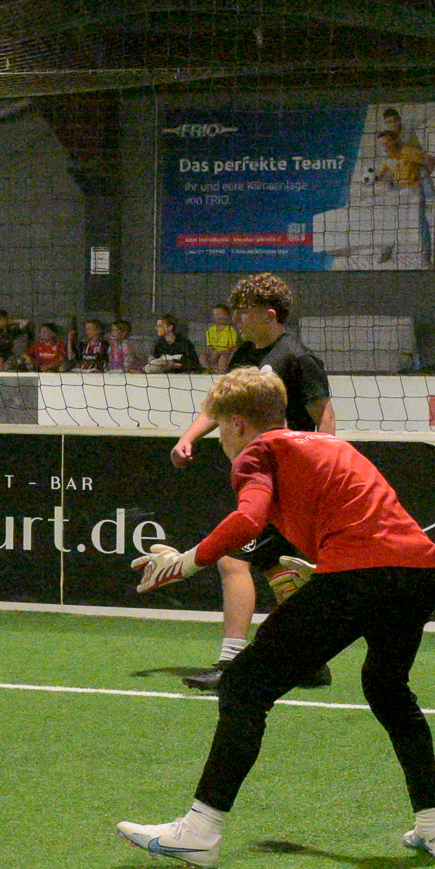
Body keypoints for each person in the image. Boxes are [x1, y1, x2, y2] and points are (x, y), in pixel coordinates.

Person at [118, 366, 435, 867]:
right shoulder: (330, 446)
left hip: (359, 575)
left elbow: (248, 519)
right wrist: (323, 572)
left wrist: (185, 563)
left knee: (243, 685)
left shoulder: (256, 453)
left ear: (236, 423)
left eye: (218, 427)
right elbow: (370, 523)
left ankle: (199, 832)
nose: (220, 439)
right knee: (388, 689)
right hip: (420, 573)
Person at [170, 272, 335, 690]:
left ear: (271, 314)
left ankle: (232, 664)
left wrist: (316, 473)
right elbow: (222, 405)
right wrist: (188, 437)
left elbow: (325, 419)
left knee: (232, 559)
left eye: (245, 312)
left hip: (289, 480)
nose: (237, 318)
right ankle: (312, 661)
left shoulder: (298, 358)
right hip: (263, 476)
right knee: (273, 564)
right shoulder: (245, 353)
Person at [203, 304, 238, 373]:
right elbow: (210, 346)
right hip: (213, 352)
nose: (217, 317)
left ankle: (221, 372)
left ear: (226, 315)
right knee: (203, 357)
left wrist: (219, 352)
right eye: (214, 315)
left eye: (219, 314)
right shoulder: (210, 330)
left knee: (223, 358)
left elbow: (231, 347)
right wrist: (213, 353)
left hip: (225, 352)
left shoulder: (231, 330)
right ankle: (206, 370)